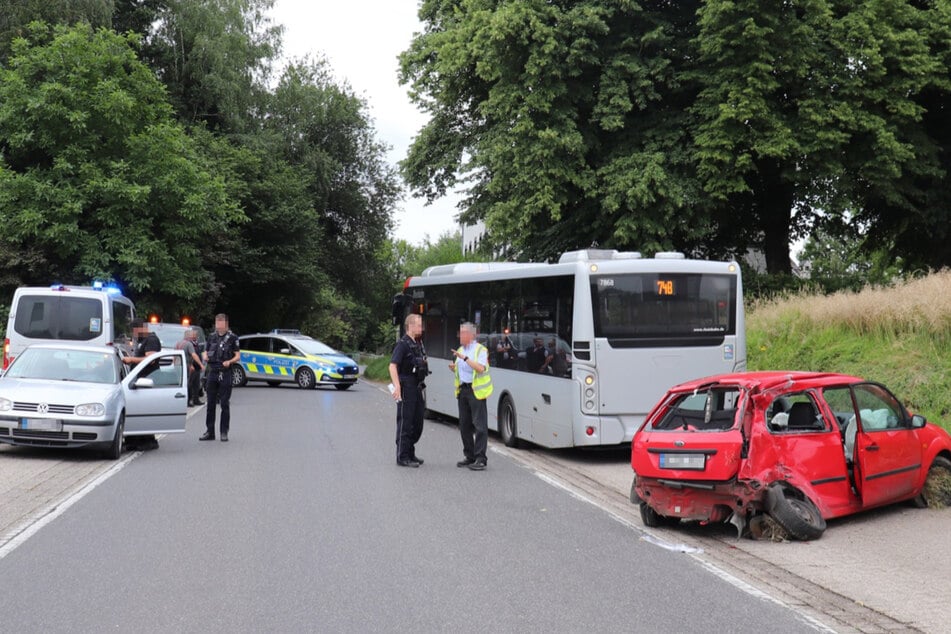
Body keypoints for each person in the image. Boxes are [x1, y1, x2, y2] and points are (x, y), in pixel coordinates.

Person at [450, 322, 493, 471]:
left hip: (476, 391)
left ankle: (481, 458)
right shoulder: (461, 350)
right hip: (463, 391)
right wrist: (454, 368)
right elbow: (462, 370)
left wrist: (465, 359)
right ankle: (469, 456)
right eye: (460, 332)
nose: (460, 336)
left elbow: (480, 368)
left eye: (463, 333)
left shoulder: (480, 350)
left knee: (479, 425)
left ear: (472, 335)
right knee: (464, 425)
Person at [388, 314, 428, 467]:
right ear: (410, 325)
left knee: (417, 422)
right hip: (406, 387)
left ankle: (410, 452)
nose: (421, 328)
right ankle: (403, 456)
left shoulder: (417, 343)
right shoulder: (403, 344)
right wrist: (397, 385)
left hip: (417, 386)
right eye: (418, 325)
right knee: (406, 422)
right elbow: (392, 366)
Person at [122, 318, 162, 450]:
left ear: (139, 329)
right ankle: (135, 440)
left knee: (145, 410)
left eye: (134, 331)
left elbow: (150, 359)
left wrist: (131, 359)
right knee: (138, 409)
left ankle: (148, 440)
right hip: (140, 381)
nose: (133, 334)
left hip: (148, 380)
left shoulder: (151, 340)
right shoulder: (143, 341)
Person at [200, 313, 240, 442]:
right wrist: (205, 356)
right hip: (212, 371)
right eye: (217, 323)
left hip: (226, 371)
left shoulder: (233, 338)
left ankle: (224, 431)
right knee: (210, 403)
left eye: (221, 323)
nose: (218, 326)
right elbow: (205, 351)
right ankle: (210, 431)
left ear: (226, 324)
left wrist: (230, 362)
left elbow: (238, 355)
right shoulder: (212, 337)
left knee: (224, 403)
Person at [176, 327, 205, 406]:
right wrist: (200, 364)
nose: (195, 336)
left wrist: (174, 364)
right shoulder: (189, 344)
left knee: (194, 384)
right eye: (193, 335)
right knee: (190, 384)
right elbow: (193, 355)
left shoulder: (179, 343)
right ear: (189, 336)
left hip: (181, 367)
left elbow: (175, 356)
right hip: (189, 367)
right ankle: (189, 401)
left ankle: (195, 400)